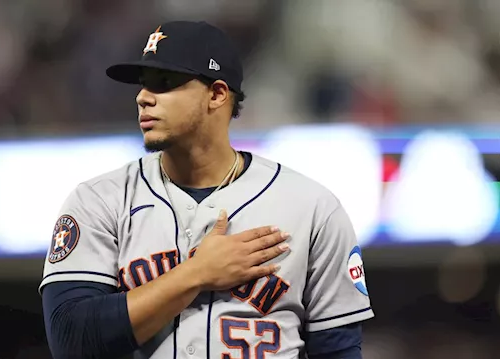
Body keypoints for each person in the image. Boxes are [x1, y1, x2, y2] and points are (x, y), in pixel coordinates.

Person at [40, 20, 374, 359]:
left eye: (164, 83)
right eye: (143, 84)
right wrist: (197, 273)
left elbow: (339, 351)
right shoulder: (99, 200)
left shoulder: (312, 207)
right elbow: (70, 339)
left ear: (216, 94)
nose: (143, 97)